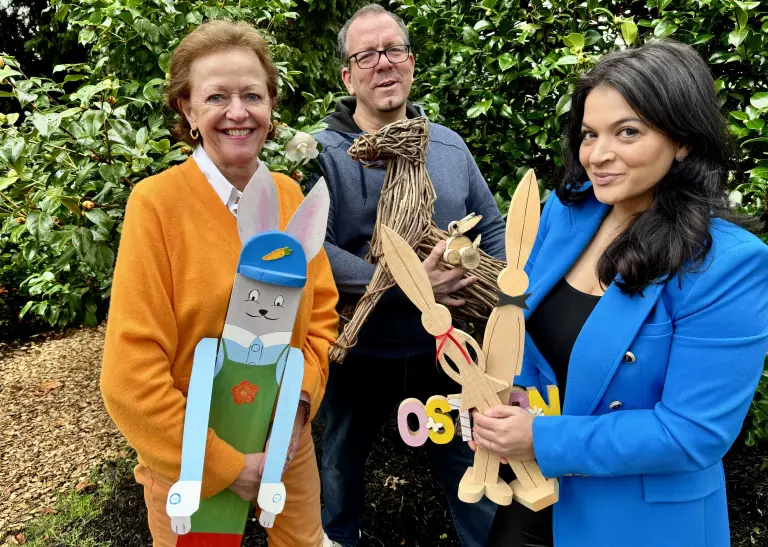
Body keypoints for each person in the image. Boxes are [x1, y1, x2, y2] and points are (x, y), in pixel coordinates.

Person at [470, 40, 768, 547]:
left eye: (627, 132)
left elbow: (692, 433)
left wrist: (542, 439)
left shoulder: (727, 264)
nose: (598, 155)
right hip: (532, 495)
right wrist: (497, 399)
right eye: (589, 134)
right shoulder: (568, 212)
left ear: (684, 141)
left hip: (635, 521)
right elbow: (523, 323)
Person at [100, 21, 339, 547]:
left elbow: (321, 315)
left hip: (286, 447)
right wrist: (229, 466)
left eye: (252, 94)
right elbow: (129, 375)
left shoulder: (287, 195)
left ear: (271, 104)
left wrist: (297, 409)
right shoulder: (156, 205)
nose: (238, 112)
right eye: (216, 97)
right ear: (187, 109)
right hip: (188, 462)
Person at [315, 5, 505, 547]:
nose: (383, 64)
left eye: (393, 50)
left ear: (411, 63)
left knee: (472, 468)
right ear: (348, 76)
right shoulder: (320, 154)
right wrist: (406, 282)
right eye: (366, 55)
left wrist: (504, 301)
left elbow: (490, 228)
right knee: (338, 471)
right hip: (358, 354)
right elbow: (309, 249)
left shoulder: (447, 145)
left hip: (445, 352)